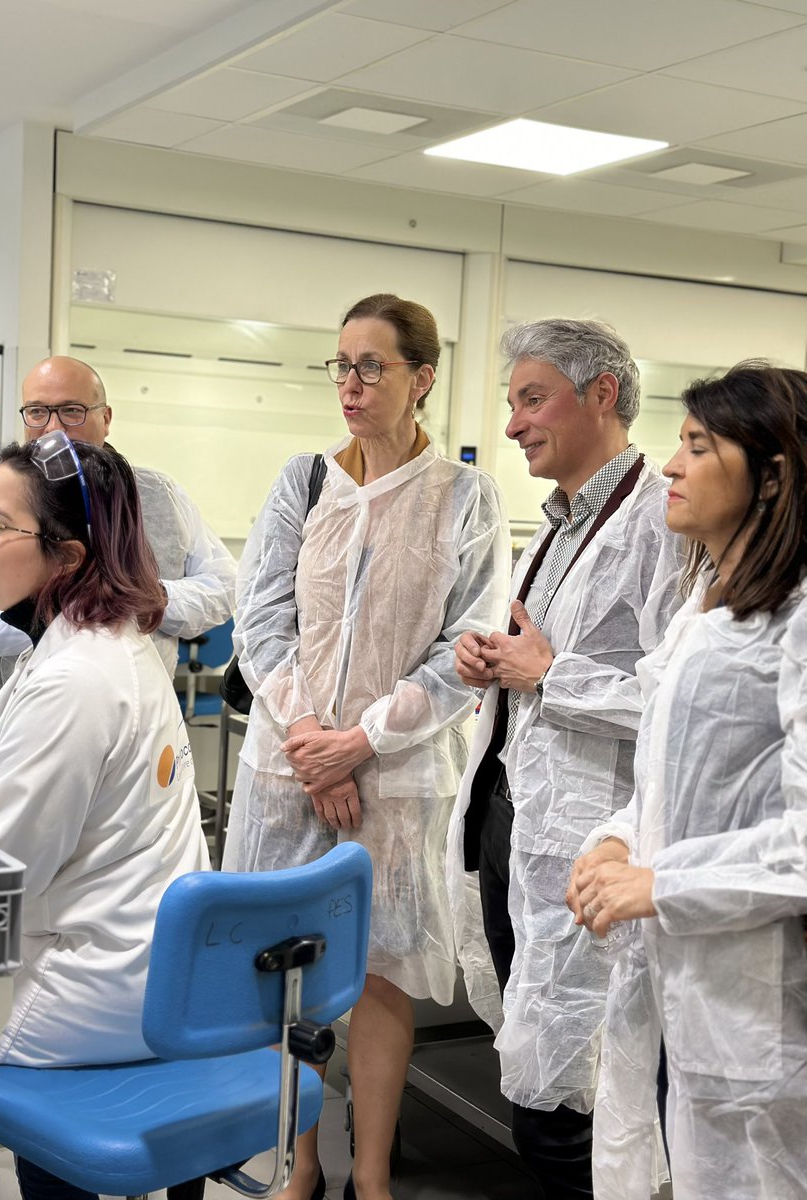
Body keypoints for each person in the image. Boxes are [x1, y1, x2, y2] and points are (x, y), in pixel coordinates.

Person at [222, 294, 509, 1200]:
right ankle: (301, 1163)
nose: (351, 384)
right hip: (288, 768)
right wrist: (311, 736)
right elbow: (260, 619)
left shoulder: (465, 497)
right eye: (340, 365)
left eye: (372, 366)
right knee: (288, 974)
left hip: (397, 773)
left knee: (383, 972)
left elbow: (467, 647)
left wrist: (360, 743)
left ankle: (372, 1175)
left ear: (422, 379)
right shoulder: (303, 481)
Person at [0, 431, 211, 1200]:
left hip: (91, 988)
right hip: (139, 966)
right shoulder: (86, 645)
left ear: (67, 558)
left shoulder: (77, 679)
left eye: (0, 526)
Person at [446, 318, 683, 1199]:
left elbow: (678, 701)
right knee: (536, 1069)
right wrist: (496, 665)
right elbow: (541, 660)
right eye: (513, 404)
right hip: (518, 825)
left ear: (603, 395)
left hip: (593, 848)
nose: (513, 425)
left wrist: (552, 675)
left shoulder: (662, 525)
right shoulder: (557, 524)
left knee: (575, 1107)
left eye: (532, 399)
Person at [568, 362, 807, 1200]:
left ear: (773, 475)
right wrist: (617, 838)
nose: (669, 466)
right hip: (682, 977)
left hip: (764, 998)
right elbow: (673, 776)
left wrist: (658, 883)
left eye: (699, 446)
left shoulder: (800, 618)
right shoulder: (706, 601)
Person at [0, 355, 237, 731]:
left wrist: (146, 600)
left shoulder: (159, 497)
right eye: (37, 411)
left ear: (106, 417)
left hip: (135, 721)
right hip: (8, 725)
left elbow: (224, 587)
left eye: (72, 410)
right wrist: (67, 613)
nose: (54, 428)